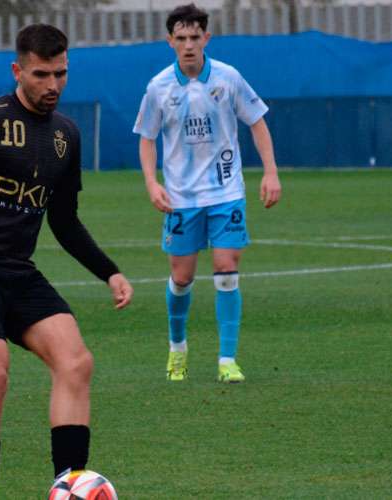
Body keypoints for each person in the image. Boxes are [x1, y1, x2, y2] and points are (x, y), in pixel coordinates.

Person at [0, 24, 134, 499]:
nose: (52, 85)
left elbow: (65, 220)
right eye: (41, 74)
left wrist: (109, 270)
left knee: (76, 362)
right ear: (18, 70)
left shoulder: (66, 135)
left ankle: (68, 488)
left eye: (61, 74)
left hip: (18, 270)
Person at [133, 3, 281, 384]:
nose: (188, 45)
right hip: (181, 198)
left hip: (226, 191)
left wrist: (270, 173)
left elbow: (258, 123)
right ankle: (177, 349)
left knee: (226, 270)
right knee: (181, 278)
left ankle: (227, 359)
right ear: (170, 41)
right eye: (180, 38)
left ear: (206, 38)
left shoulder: (228, 78)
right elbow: (147, 139)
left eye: (194, 37)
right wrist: (152, 182)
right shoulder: (158, 87)